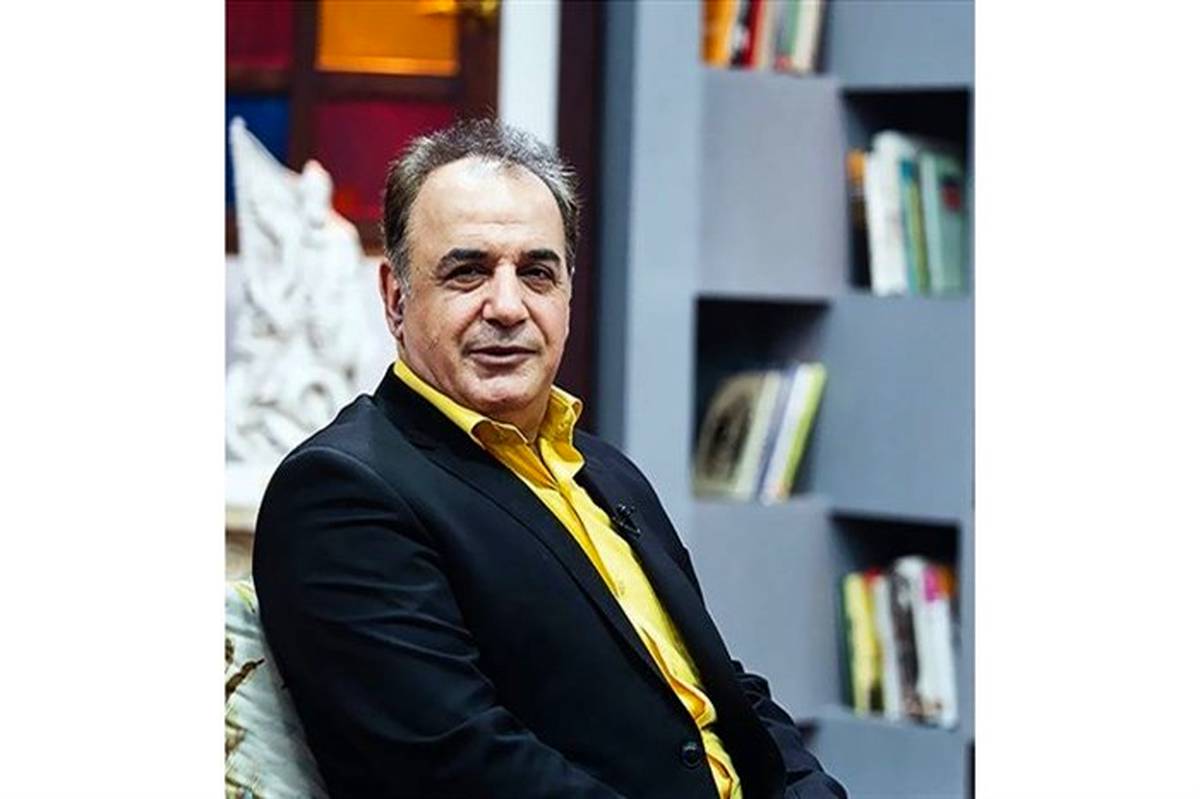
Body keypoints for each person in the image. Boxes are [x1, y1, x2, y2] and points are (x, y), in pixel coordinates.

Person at [253, 119, 847, 799]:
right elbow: (461, 767)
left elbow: (723, 687)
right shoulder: (341, 490)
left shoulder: (607, 471)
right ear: (395, 299)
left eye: (537, 273)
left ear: (567, 295)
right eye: (468, 271)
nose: (508, 306)